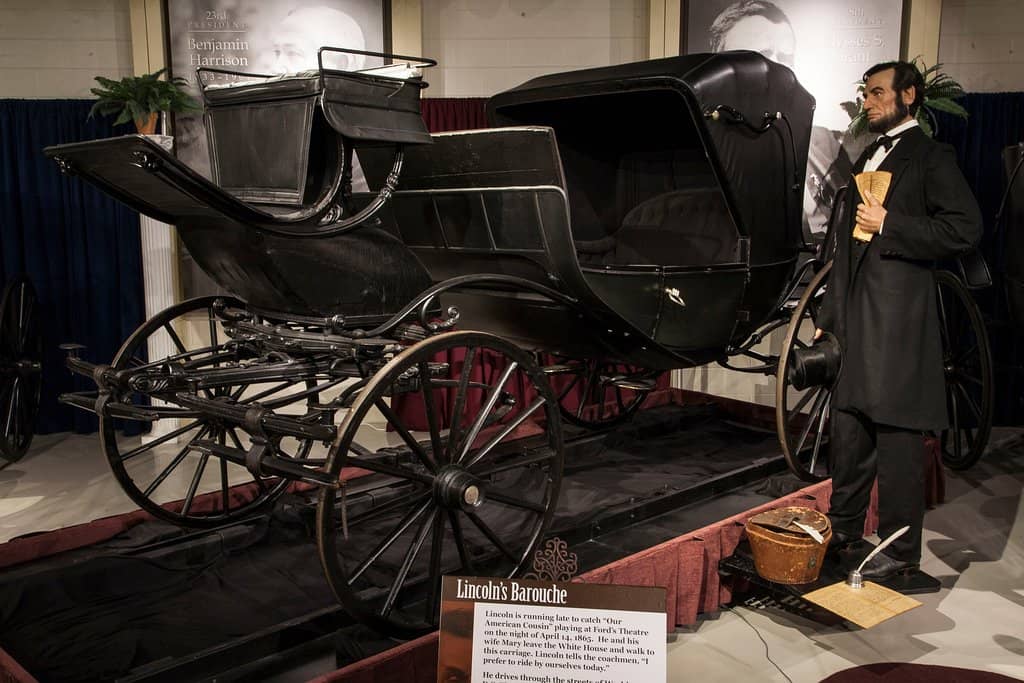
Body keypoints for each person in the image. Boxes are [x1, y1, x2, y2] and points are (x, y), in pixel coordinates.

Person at [815, 61, 982, 580]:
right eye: (866, 93)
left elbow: (964, 228)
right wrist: (828, 313)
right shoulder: (867, 155)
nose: (868, 101)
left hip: (898, 323)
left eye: (879, 92)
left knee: (897, 443)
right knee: (849, 434)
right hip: (855, 321)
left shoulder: (931, 157)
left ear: (910, 95)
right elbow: (843, 246)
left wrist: (892, 224)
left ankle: (898, 554)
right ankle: (844, 535)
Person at [707, 0, 851, 239]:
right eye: (760, 56)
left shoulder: (824, 141)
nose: (777, 68)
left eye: (785, 57)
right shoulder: (703, 143)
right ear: (719, 65)